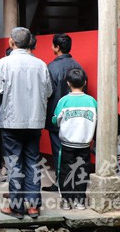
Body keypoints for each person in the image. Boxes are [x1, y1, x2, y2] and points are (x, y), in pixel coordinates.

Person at [0, 27, 52, 220]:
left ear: (11, 42)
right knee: (33, 161)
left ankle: (17, 206)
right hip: (34, 120)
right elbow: (48, 91)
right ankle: (33, 207)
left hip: (11, 120)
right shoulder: (40, 64)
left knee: (14, 163)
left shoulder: (4, 63)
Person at [44, 33, 86, 192]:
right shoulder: (78, 66)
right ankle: (75, 181)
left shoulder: (51, 67)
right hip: (77, 116)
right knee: (76, 150)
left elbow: (47, 92)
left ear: (56, 47)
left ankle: (61, 183)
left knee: (58, 151)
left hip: (57, 114)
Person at [52, 68, 97, 210]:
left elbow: (55, 120)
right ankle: (80, 201)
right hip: (84, 144)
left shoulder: (63, 101)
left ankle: (66, 200)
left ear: (68, 83)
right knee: (82, 171)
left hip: (67, 144)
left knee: (65, 171)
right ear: (85, 82)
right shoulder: (92, 101)